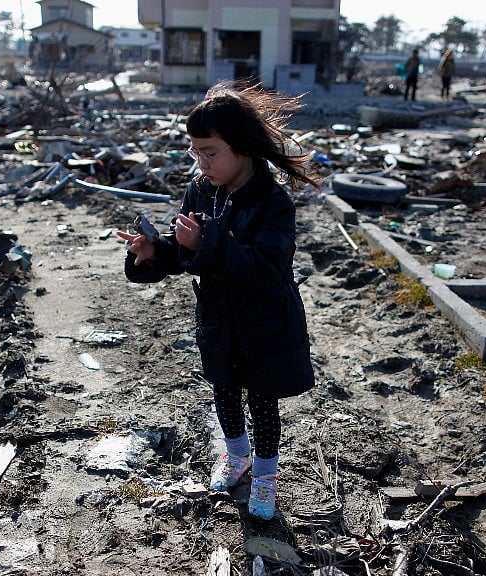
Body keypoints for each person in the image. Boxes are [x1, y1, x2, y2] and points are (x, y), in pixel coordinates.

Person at [116, 81, 317, 521]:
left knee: (263, 405)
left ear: (241, 147)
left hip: (264, 322)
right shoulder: (200, 189)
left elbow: (267, 265)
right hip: (218, 318)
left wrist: (207, 243)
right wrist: (156, 251)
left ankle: (265, 477)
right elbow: (187, 249)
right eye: (195, 152)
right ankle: (236, 457)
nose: (201, 163)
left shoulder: (273, 202)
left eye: (210, 152)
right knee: (224, 393)